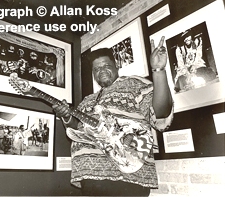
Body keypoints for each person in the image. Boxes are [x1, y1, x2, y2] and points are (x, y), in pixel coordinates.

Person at [52, 36, 173, 196]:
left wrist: (158, 70)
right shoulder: (87, 101)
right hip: (89, 176)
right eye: (96, 69)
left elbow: (160, 112)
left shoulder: (134, 85)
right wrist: (66, 117)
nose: (101, 71)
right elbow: (78, 131)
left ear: (116, 66)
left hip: (126, 174)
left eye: (106, 66)